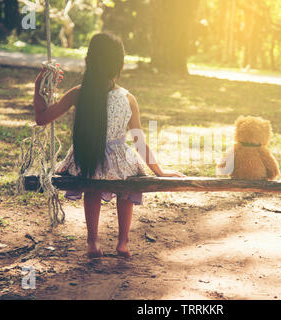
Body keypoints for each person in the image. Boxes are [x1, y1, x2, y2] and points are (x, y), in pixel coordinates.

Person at [33, 32, 185, 259]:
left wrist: (40, 86)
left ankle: (92, 242)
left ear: (88, 61)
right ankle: (123, 242)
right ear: (120, 65)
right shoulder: (128, 98)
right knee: (126, 187)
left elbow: (42, 118)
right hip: (119, 164)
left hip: (86, 160)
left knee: (92, 185)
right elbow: (139, 141)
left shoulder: (78, 94)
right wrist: (160, 172)